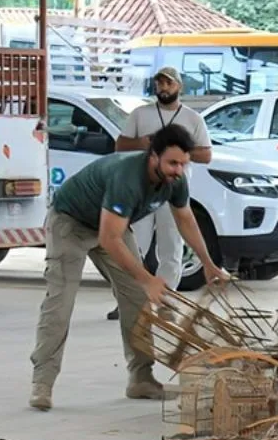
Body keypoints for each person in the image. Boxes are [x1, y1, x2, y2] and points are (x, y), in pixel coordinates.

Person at [28, 123, 229, 411]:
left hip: (112, 225)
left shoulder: (177, 180)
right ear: (153, 156)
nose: (177, 170)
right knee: (61, 302)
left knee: (137, 302)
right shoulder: (127, 178)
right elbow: (109, 240)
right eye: (172, 163)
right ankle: (42, 382)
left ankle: (141, 378)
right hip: (71, 222)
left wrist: (209, 264)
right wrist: (148, 279)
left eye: (183, 164)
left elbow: (185, 219)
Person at [106, 66, 213, 321]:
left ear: (179, 87)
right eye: (159, 83)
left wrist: (177, 152)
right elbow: (120, 145)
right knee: (134, 245)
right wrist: (144, 144)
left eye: (169, 83)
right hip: (142, 189)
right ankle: (129, 300)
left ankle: (166, 301)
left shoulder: (192, 119)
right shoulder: (140, 114)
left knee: (171, 247)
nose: (163, 88)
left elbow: (206, 155)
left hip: (173, 190)